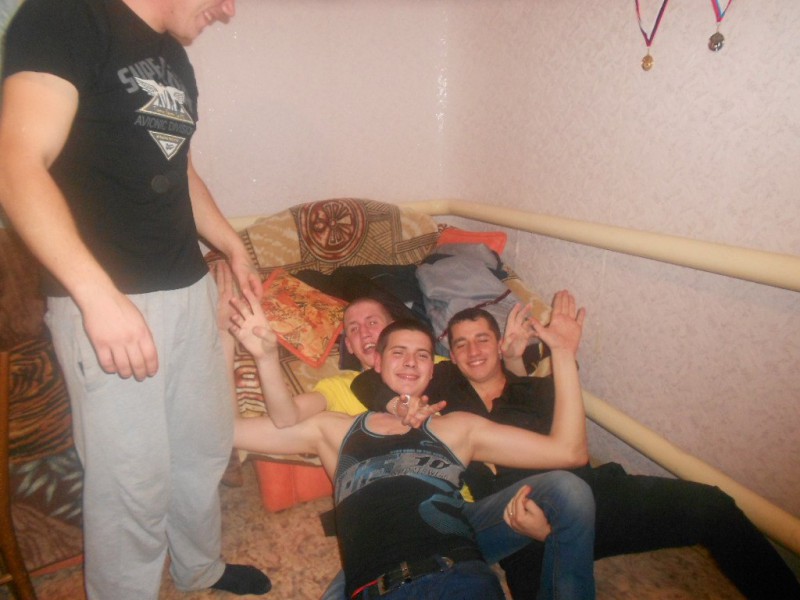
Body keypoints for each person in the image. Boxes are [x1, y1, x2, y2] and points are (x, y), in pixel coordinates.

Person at [0, 0, 270, 598]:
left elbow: (179, 166)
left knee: (203, 448)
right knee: (131, 483)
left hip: (187, 285)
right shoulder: (62, 17)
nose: (228, 10)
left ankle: (200, 567)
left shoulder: (171, 54)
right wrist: (96, 296)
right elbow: (15, 163)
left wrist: (233, 246)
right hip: (108, 300)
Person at [355, 306, 800, 600]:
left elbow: (575, 455)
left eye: (483, 339)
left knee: (715, 506)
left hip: (589, 495)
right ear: (449, 355)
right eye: (461, 343)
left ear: (500, 343)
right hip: (517, 518)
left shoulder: (539, 390)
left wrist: (549, 354)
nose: (473, 351)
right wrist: (395, 404)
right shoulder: (442, 388)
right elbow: (369, 379)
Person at [228, 308, 596, 599]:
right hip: (376, 586)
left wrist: (563, 354)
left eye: (422, 355)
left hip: (459, 575)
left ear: (433, 369)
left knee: (568, 489)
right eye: (398, 353)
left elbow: (569, 452)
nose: (410, 362)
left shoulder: (457, 427)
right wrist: (253, 353)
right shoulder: (334, 429)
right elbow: (230, 431)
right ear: (377, 362)